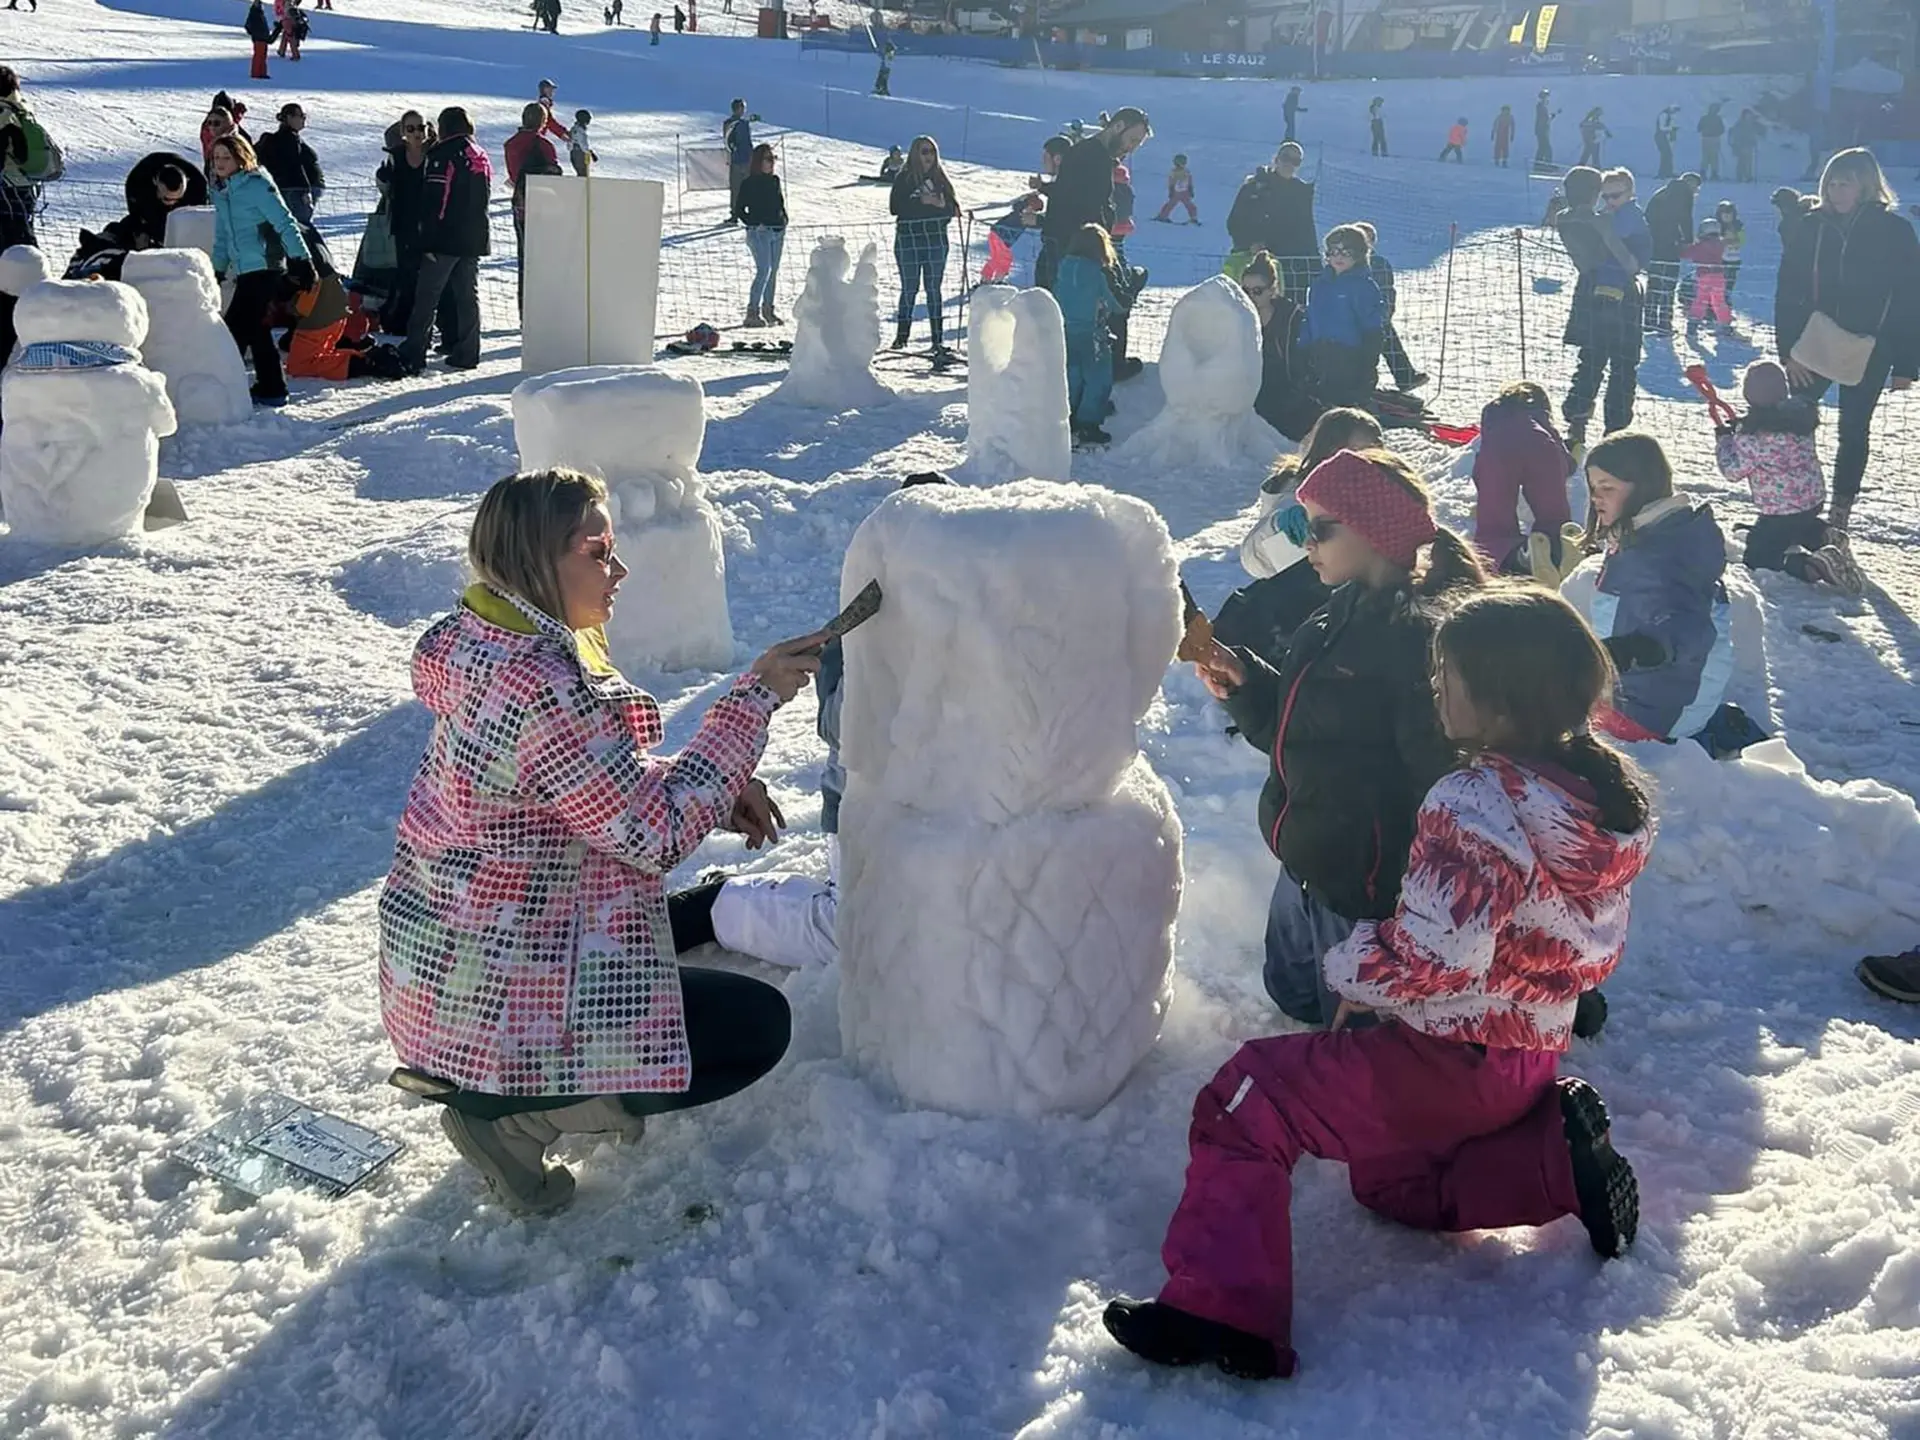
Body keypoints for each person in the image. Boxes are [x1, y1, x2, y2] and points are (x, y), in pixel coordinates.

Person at [1105, 583, 1650, 1382]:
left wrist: (1355, 970)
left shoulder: (1474, 801)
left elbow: (1438, 956)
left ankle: (1222, 1308)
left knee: (1246, 1098)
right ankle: (1552, 1165)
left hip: (1443, 1056)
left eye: (1447, 674)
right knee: (1389, 1183)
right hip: (1525, 1061)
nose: (1434, 685)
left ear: (1499, 696)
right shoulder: (1583, 802)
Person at [379, 468, 829, 1215]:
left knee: (679, 917)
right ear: (535, 560)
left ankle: (513, 1092)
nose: (617, 569)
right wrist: (754, 699)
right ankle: (515, 1116)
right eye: (596, 552)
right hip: (496, 1004)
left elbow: (579, 778)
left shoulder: (484, 643)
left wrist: (712, 787)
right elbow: (652, 835)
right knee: (751, 1028)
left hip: (453, 963)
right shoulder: (539, 685)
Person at [1191, 448, 1489, 1026]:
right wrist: (1249, 686)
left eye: (1319, 528)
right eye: (1299, 526)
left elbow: (1443, 787)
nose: (1306, 543)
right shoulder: (1333, 614)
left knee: (1352, 1028)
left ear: (1374, 529)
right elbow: (1306, 727)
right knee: (1292, 994)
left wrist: (1415, 908)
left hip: (1363, 888)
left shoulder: (1418, 643)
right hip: (1305, 856)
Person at [1773, 148, 1920, 532]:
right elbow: (1788, 289)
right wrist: (1788, 350)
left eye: (1845, 184)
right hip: (1813, 342)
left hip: (1871, 346)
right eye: (1831, 184)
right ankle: (1794, 502)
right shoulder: (1810, 227)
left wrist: (1906, 364)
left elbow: (1910, 298)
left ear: (1866, 186)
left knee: (1853, 430)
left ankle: (1839, 514)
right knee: (1794, 420)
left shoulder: (1895, 231)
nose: (1836, 192)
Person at [1580, 432, 1733, 744]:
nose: (1596, 498)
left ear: (1643, 485)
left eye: (1607, 487)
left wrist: (1632, 650)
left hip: (1661, 709)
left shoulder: (1666, 553)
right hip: (1644, 687)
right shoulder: (1646, 535)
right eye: (1593, 488)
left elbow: (1689, 630)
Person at [1213, 404, 1376, 665]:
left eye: (1374, 450)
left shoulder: (1380, 495)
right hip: (1298, 623)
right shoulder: (1299, 496)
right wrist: (1278, 528)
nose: (1366, 460)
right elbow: (1254, 560)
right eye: (1356, 451)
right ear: (1329, 451)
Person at [1714, 359, 1859, 592]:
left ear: (1748, 396)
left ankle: (1812, 566)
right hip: (1812, 500)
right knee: (1799, 525)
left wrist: (1724, 441)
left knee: (1758, 556)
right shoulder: (1800, 420)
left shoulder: (1752, 436)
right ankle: (1822, 536)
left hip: (1779, 511)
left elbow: (1732, 471)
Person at [209, 133, 314, 407]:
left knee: (235, 329)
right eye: (216, 157)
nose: (220, 162)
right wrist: (216, 270)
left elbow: (285, 222)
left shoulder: (256, 185)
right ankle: (272, 387)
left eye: (226, 157)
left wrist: (301, 259)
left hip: (266, 266)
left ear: (241, 158)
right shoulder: (222, 192)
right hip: (245, 270)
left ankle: (224, 390)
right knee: (256, 329)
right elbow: (222, 236)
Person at [1560, 168, 1651, 448]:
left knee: (1592, 358)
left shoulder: (1569, 219)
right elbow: (1630, 261)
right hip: (1621, 295)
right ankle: (1615, 427)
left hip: (1590, 292)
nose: (1609, 201)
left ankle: (1578, 417)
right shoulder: (1601, 221)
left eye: (1614, 196)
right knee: (1622, 363)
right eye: (1605, 195)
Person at [401, 106, 492, 375]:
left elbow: (435, 201)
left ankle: (415, 352)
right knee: (467, 296)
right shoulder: (479, 153)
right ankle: (468, 352)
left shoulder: (443, 155)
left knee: (427, 296)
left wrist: (427, 240)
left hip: (444, 239)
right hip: (474, 237)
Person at [1037, 106, 1150, 291]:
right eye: (1132, 140)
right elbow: (1075, 203)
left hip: (1075, 249)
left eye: (1137, 144)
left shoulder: (1098, 156)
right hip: (1070, 251)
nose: (1131, 149)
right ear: (1118, 126)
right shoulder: (1090, 155)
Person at [1471, 381, 1573, 577]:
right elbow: (1564, 460)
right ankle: (1558, 549)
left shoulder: (1493, 412)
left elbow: (1483, 463)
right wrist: (1569, 462)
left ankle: (1519, 558)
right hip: (1542, 445)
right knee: (1553, 516)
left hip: (1500, 450)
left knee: (1494, 527)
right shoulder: (1540, 415)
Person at [1299, 224, 1385, 410]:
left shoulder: (1363, 286)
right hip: (1320, 355)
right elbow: (1310, 318)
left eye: (1346, 252)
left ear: (1359, 255)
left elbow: (1372, 328)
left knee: (1346, 407)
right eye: (1334, 251)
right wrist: (1303, 349)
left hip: (1350, 357)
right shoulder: (1319, 285)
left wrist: (1367, 366)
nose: (1339, 257)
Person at [888, 134, 958, 354]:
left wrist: (940, 204)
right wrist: (921, 201)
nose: (929, 156)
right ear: (915, 154)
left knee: (933, 289)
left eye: (932, 151)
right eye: (924, 151)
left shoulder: (941, 178)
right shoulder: (905, 178)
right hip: (908, 240)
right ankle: (901, 338)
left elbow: (953, 209)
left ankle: (937, 339)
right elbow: (895, 208)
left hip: (936, 241)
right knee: (909, 288)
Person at [1056, 223, 1124, 447]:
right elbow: (1115, 304)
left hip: (1066, 329)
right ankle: (1089, 423)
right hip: (1092, 333)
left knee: (1072, 374)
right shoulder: (1097, 273)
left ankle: (1070, 416)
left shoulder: (1064, 267)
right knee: (1098, 378)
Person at [1236, 250, 1313, 445]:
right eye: (1245, 291)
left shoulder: (1292, 319)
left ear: (1272, 290)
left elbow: (1303, 364)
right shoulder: (1237, 319)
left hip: (1289, 392)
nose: (1250, 297)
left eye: (1257, 291)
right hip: (1252, 392)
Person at [375, 110, 433, 334]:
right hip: (402, 223)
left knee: (427, 278)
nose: (417, 132)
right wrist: (383, 179)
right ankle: (401, 323)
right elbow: (386, 190)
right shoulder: (396, 156)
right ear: (403, 132)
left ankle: (423, 325)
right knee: (405, 274)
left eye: (421, 127)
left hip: (430, 224)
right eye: (411, 128)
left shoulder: (434, 155)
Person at [505, 102, 563, 314]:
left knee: (524, 260)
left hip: (520, 205)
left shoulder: (510, 144)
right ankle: (543, 311)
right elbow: (554, 177)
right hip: (543, 207)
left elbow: (513, 176)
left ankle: (525, 310)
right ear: (543, 122)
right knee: (544, 261)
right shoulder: (544, 145)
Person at [1353, 221, 1424, 392]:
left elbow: (1387, 291)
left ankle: (1404, 376)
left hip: (1373, 315)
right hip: (1351, 315)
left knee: (1386, 335)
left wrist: (1385, 314)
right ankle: (1402, 376)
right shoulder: (1341, 263)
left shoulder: (1378, 263)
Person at [1642, 171, 1699, 334]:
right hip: (1670, 244)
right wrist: (1688, 240)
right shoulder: (1684, 194)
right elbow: (1685, 218)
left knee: (1654, 283)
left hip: (1653, 242)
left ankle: (1649, 321)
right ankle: (1665, 322)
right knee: (1669, 283)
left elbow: (1648, 215)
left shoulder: (1663, 192)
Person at [737, 142, 787, 327]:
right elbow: (739, 209)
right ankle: (752, 312)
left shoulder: (774, 181)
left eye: (773, 158)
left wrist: (784, 220)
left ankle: (768, 310)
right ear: (758, 161)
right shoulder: (749, 183)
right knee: (764, 270)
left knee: (773, 272)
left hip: (778, 230)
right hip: (760, 233)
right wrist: (754, 224)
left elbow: (780, 203)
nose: (772, 162)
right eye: (768, 159)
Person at [118, 153, 209, 250]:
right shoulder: (138, 184)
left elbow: (200, 220)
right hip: (151, 205)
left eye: (177, 199)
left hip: (185, 208)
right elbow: (137, 217)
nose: (172, 203)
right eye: (167, 198)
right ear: (155, 181)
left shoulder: (198, 185)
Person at [256, 103, 325, 225]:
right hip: (295, 190)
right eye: (301, 116)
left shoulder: (282, 138)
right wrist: (305, 190)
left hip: (291, 188)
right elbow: (295, 164)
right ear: (289, 118)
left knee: (294, 224)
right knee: (301, 225)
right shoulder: (288, 138)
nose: (304, 119)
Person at [1681, 218, 1729, 332]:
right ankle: (1725, 323)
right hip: (1719, 275)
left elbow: (1685, 254)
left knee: (1701, 299)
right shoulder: (1721, 244)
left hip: (1704, 275)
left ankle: (1693, 322)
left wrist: (1681, 247)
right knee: (1719, 300)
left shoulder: (1700, 246)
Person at [723, 98, 758, 223]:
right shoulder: (731, 124)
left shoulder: (743, 123)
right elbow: (728, 142)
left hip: (746, 159)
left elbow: (748, 142)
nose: (743, 110)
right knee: (737, 189)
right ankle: (735, 214)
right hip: (738, 161)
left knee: (748, 188)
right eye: (742, 108)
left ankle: (750, 213)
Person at [1154, 153, 1197, 224]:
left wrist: (1190, 189)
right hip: (1176, 192)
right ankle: (1162, 216)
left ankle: (1193, 218)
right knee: (1170, 205)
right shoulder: (1174, 172)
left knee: (1190, 206)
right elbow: (1171, 182)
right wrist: (1171, 190)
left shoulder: (1186, 171)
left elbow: (1189, 181)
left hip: (1185, 192)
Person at [1716, 200, 1745, 297]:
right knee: (1720, 280)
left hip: (1734, 258)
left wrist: (1730, 242)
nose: (1727, 216)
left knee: (1730, 280)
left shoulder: (1738, 226)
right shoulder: (1717, 226)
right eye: (1724, 214)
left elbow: (1742, 240)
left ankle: (1727, 296)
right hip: (1721, 259)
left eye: (1729, 214)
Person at [1730, 108, 1763, 183]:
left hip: (1749, 145)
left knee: (1749, 161)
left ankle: (1748, 175)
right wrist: (1737, 143)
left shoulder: (1751, 124)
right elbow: (1736, 134)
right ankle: (1740, 175)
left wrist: (1754, 141)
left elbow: (1753, 134)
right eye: (1747, 115)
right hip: (1741, 145)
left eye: (1749, 115)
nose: (1749, 117)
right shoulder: (1740, 124)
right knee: (1742, 161)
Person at [1697, 102, 1726, 181]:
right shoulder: (1709, 118)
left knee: (1711, 156)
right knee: (1709, 156)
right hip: (1709, 138)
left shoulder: (1711, 118)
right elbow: (1699, 128)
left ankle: (1711, 173)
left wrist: (1715, 132)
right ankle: (1707, 172)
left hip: (1711, 138)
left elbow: (1722, 129)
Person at [246, 0, 273, 79]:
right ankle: (256, 73)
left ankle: (262, 72)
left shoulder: (261, 14)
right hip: (258, 38)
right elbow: (248, 26)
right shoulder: (253, 14)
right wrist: (255, 33)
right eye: (258, 4)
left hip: (263, 37)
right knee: (258, 56)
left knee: (263, 56)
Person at [1534, 89, 1558, 168]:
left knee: (1542, 148)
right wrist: (1552, 116)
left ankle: (1539, 165)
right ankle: (1546, 165)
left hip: (1542, 130)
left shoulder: (1541, 106)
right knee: (1546, 149)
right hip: (1542, 130)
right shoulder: (1541, 107)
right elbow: (1545, 119)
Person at [1654, 106, 1678, 179]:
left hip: (1663, 137)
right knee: (1665, 155)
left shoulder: (1668, 116)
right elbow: (1661, 128)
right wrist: (1672, 128)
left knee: (1668, 155)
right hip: (1660, 137)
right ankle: (1662, 173)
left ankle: (1668, 172)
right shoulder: (1664, 115)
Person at [569, 110, 595, 177]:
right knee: (582, 173)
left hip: (580, 152)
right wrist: (588, 152)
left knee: (583, 172)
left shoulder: (579, 129)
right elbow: (582, 143)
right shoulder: (578, 130)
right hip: (579, 152)